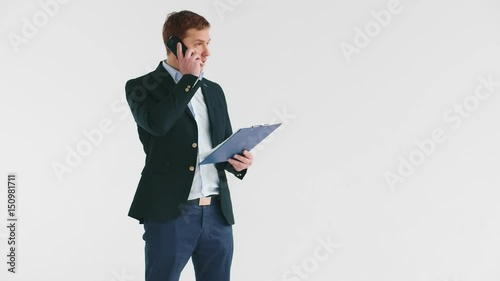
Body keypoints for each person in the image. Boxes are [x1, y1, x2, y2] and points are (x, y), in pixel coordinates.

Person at [124, 10, 253, 281]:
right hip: (170, 213)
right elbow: (158, 125)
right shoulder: (141, 87)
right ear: (175, 45)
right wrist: (188, 81)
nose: (206, 52)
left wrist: (238, 162)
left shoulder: (214, 90)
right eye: (198, 44)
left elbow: (223, 144)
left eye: (208, 43)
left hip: (217, 214)